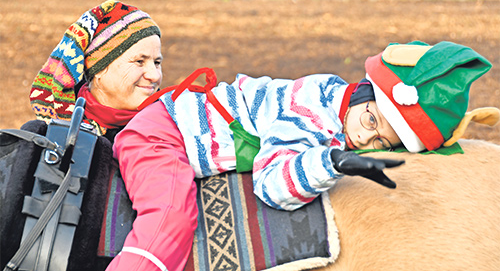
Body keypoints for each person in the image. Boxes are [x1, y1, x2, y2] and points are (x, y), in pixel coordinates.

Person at [115, 40, 498, 216]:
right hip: (166, 134)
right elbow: (271, 183)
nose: (365, 138)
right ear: (363, 92)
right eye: (370, 120)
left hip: (173, 131)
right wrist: (331, 162)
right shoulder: (313, 108)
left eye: (381, 141)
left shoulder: (343, 108)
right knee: (167, 219)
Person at [29, 0, 198, 271]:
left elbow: (170, 216)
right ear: (98, 68)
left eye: (157, 62)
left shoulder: (153, 131)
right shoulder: (59, 132)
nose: (155, 75)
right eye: (139, 61)